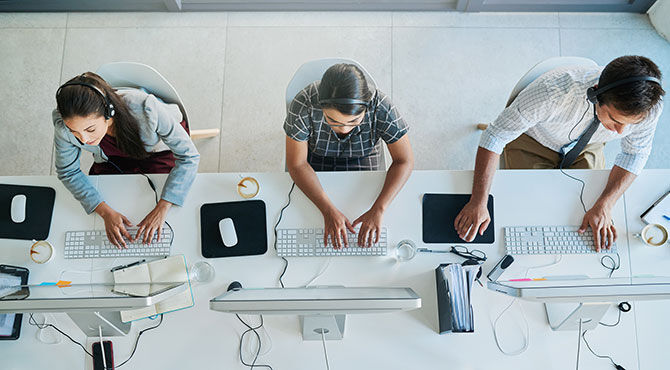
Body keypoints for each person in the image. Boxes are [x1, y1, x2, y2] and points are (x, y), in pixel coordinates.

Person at [455, 55, 664, 250]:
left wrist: (606, 204)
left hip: (589, 144)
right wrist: (478, 201)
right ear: (596, 93)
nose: (621, 132)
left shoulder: (649, 108)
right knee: (530, 208)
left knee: (583, 212)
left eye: (629, 125)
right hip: (534, 139)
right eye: (615, 120)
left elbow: (634, 154)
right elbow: (495, 136)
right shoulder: (551, 93)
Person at [53, 72, 200, 248]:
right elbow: (67, 171)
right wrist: (105, 212)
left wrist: (163, 206)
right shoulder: (64, 126)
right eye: (74, 131)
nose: (83, 139)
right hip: (113, 158)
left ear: (108, 113)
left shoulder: (146, 109)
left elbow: (189, 156)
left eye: (90, 129)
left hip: (157, 152)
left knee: (169, 211)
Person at [284, 63, 414, 248]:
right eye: (332, 120)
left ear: (367, 107)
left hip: (364, 157)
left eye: (354, 121)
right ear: (320, 106)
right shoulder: (303, 103)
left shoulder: (381, 105)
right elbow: (297, 164)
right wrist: (327, 210)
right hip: (315, 158)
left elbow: (405, 160)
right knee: (307, 219)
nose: (343, 129)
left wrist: (379, 208)